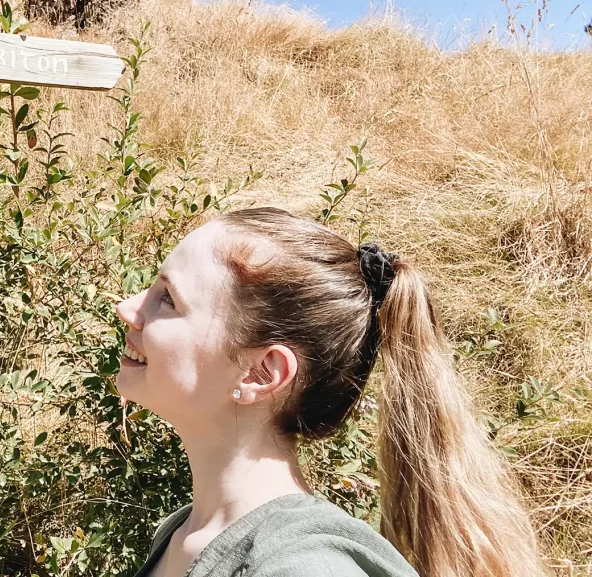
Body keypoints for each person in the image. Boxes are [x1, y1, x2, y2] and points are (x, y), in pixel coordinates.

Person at [115, 207, 544, 577]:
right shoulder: (186, 532)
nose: (128, 307)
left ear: (261, 373)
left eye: (168, 299)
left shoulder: (300, 565)